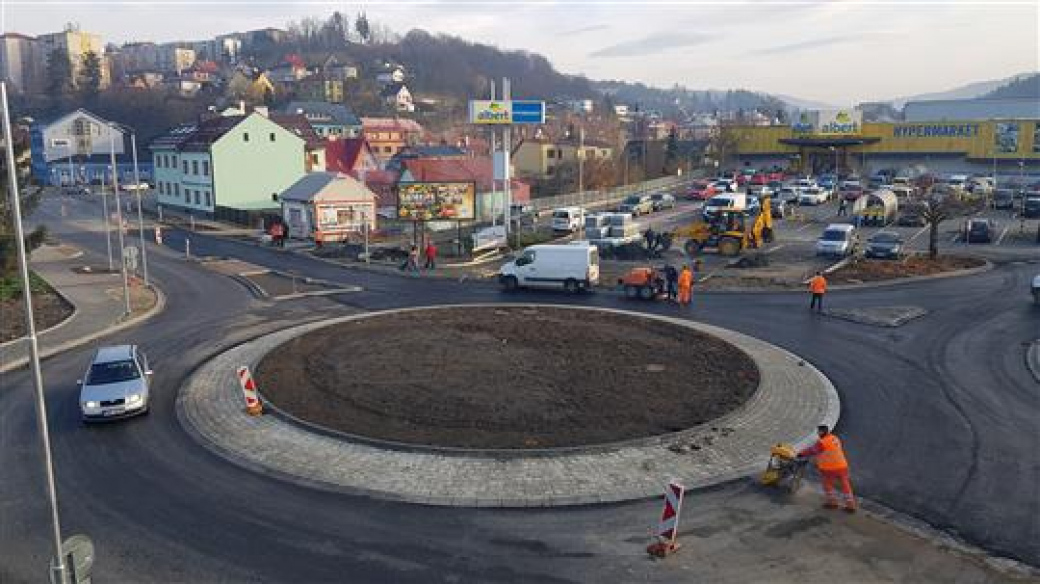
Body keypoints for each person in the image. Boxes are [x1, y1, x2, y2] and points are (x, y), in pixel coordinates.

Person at [799, 425, 856, 512]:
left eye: (818, 431)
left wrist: (800, 453)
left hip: (830, 469)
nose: (817, 433)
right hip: (842, 466)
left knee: (827, 486)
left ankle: (832, 503)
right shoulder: (834, 438)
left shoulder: (822, 442)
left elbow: (812, 451)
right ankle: (851, 505)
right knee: (845, 485)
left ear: (822, 432)